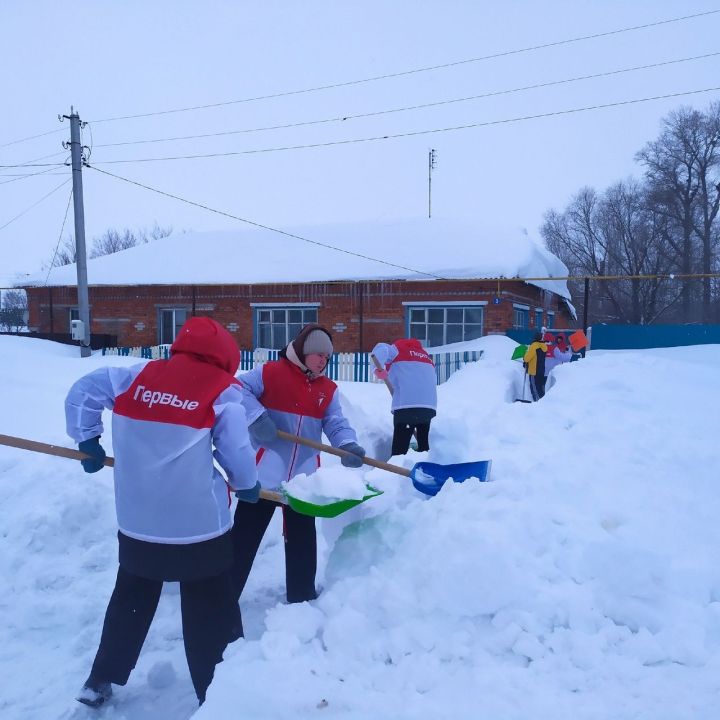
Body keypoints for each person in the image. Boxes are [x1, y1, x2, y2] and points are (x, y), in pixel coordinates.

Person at [65, 317, 259, 708]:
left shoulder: (136, 376)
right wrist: (246, 483)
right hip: (198, 528)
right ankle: (223, 694)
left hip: (138, 524)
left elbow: (82, 391)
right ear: (226, 357)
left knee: (131, 596)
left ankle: (100, 678)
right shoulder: (224, 392)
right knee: (211, 608)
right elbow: (236, 450)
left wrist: (87, 439)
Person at [231, 323, 365, 605]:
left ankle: (301, 596)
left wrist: (346, 445)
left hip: (302, 478)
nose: (323, 361)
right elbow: (237, 389)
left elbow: (335, 421)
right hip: (264, 472)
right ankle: (223, 594)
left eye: (327, 357)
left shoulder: (327, 389)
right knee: (244, 537)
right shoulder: (271, 373)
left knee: (303, 538)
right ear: (304, 351)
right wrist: (257, 418)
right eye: (319, 354)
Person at [371, 338, 437, 455]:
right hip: (429, 406)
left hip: (406, 406)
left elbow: (380, 349)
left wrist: (377, 368)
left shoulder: (397, 349)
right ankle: (426, 461)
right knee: (423, 443)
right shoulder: (425, 355)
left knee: (400, 447)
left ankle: (396, 467)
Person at [523, 332, 548, 401]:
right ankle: (544, 401)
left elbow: (527, 358)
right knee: (540, 387)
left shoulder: (534, 346)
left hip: (534, 370)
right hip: (541, 370)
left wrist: (525, 357)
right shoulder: (544, 346)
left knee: (534, 387)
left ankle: (537, 403)